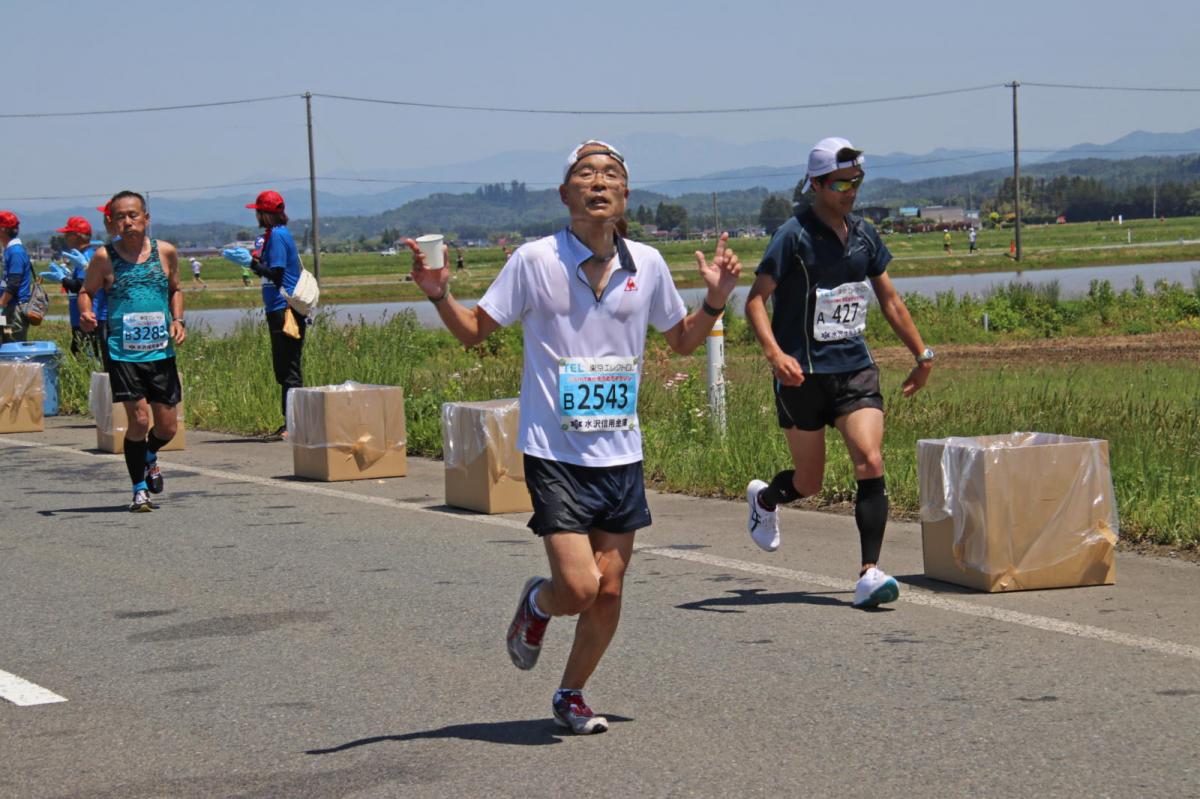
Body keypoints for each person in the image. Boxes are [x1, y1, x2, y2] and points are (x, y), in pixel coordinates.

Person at [406, 140, 740, 735]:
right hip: (553, 450)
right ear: (565, 194)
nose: (599, 182)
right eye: (586, 174)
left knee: (609, 591)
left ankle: (572, 693)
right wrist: (438, 293)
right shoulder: (535, 260)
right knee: (579, 586)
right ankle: (538, 604)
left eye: (611, 174)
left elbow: (683, 341)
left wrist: (715, 299)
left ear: (625, 195)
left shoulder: (649, 265)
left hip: (620, 450)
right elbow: (474, 333)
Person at [743, 137, 934, 609]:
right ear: (816, 184)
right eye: (841, 182)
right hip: (801, 376)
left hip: (854, 370)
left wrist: (922, 354)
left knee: (870, 459)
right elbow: (753, 301)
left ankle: (869, 573)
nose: (850, 190)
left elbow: (890, 300)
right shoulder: (793, 235)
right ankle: (766, 499)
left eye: (856, 181)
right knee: (808, 483)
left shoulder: (865, 235)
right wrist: (774, 354)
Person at [78, 191, 186, 512]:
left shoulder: (165, 253)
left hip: (160, 352)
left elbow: (175, 289)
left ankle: (150, 453)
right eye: (120, 217)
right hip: (122, 352)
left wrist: (178, 319)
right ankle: (139, 488)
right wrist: (86, 312)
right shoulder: (104, 258)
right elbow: (86, 292)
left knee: (167, 427)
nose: (128, 222)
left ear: (146, 218)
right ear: (111, 222)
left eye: (133, 215)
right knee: (138, 420)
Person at [224, 190, 305, 438]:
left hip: (285, 309)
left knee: (288, 366)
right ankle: (289, 422)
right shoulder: (274, 235)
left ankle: (293, 425)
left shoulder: (278, 236)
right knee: (282, 366)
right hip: (277, 308)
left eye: (258, 211)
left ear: (264, 214)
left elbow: (277, 274)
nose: (256, 216)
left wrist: (250, 263)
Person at [41, 216, 104, 358]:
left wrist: (63, 280)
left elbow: (81, 285)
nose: (65, 237)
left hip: (87, 317)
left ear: (77, 236)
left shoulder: (87, 256)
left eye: (67, 234)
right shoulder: (82, 255)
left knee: (84, 357)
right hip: (79, 317)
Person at [0, 211, 34, 343]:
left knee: (13, 342)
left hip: (14, 309)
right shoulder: (10, 250)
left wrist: (1, 303)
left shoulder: (16, 252)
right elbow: (7, 280)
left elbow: (14, 282)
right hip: (8, 308)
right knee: (5, 340)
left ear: (3, 229)